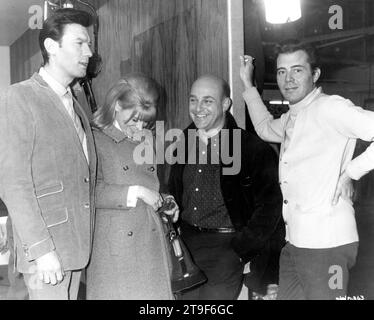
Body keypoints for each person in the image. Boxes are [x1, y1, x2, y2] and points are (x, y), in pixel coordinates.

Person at [240, 40, 374, 300]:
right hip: (295, 244)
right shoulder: (294, 116)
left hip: (327, 244)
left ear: (315, 74)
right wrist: (248, 85)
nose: (288, 79)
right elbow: (266, 128)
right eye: (281, 71)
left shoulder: (330, 108)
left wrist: (351, 172)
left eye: (297, 70)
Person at [0, 8, 96, 300]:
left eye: (89, 44)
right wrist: (42, 250)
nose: (89, 52)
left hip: (75, 247)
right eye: (80, 43)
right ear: (51, 47)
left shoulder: (76, 103)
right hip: (47, 253)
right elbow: (13, 182)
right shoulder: (20, 97)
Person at [168, 75, 284, 300]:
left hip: (226, 249)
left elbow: (270, 207)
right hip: (187, 246)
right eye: (193, 100)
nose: (198, 108)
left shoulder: (252, 148)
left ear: (225, 104)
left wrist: (242, 249)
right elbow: (174, 189)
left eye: (208, 101)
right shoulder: (182, 141)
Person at [87, 74, 179, 300]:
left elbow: (151, 185)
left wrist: (165, 200)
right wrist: (137, 192)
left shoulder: (147, 139)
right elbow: (89, 192)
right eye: (133, 120)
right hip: (117, 251)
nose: (139, 127)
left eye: (144, 122)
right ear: (117, 105)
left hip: (151, 241)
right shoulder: (94, 139)